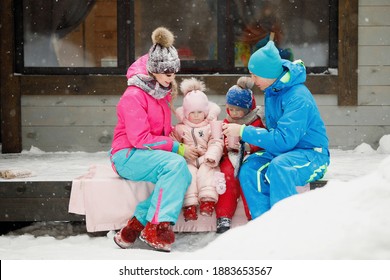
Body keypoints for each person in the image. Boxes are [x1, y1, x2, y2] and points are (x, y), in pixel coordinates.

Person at [110, 27, 198, 252]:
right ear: (154, 71)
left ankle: (136, 224)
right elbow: (140, 138)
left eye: (174, 72)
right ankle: (156, 226)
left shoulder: (161, 91)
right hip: (126, 155)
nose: (172, 77)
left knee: (182, 174)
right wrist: (177, 148)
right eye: (167, 73)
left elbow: (161, 131)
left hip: (146, 154)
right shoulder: (134, 96)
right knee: (176, 165)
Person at [222, 40, 330, 220]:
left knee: (280, 167)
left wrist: (243, 131)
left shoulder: (298, 98)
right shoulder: (273, 90)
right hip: (284, 151)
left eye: (255, 75)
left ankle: (284, 225)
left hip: (312, 154)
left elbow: (283, 140)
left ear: (269, 73)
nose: (253, 80)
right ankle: (263, 223)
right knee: (249, 169)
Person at [215, 77, 266, 233]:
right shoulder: (226, 122)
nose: (235, 113)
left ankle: (252, 215)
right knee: (227, 178)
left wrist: (249, 146)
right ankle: (223, 217)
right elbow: (218, 140)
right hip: (230, 156)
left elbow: (262, 140)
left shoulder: (256, 122)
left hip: (250, 156)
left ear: (248, 108)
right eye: (231, 109)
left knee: (247, 179)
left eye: (239, 110)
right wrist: (224, 147)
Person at [171, 78, 224, 221]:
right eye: (192, 112)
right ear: (186, 113)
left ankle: (207, 201)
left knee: (207, 173)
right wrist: (182, 149)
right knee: (189, 176)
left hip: (206, 159)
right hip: (189, 160)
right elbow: (174, 143)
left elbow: (216, 141)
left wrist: (211, 155)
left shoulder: (210, 126)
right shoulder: (181, 128)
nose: (196, 116)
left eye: (200, 112)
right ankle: (190, 205)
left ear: (205, 112)